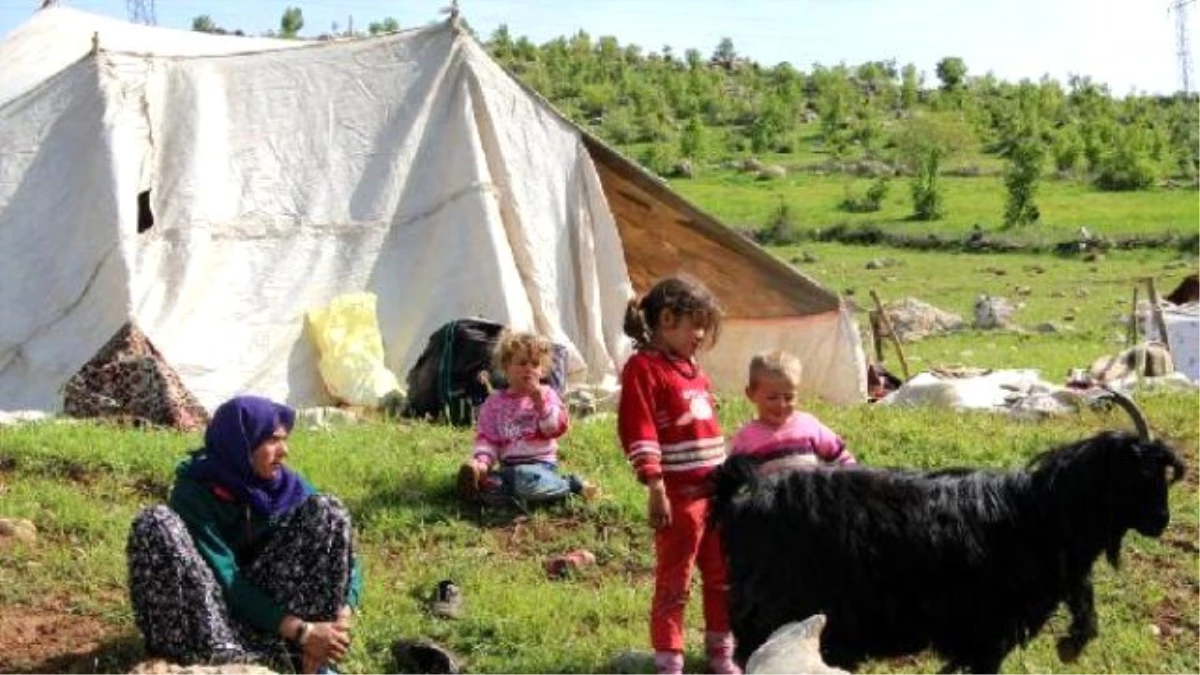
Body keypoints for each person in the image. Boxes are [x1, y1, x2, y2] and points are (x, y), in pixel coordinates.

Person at [127, 395, 363, 675]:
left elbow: (345, 554)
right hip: (212, 615)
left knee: (329, 512)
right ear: (241, 445)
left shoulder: (284, 486)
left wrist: (341, 618)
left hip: (271, 617)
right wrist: (302, 630)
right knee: (154, 524)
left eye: (284, 439)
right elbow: (227, 580)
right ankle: (221, 658)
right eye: (272, 440)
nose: (284, 451)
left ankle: (311, 659)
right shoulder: (196, 492)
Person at [617, 275, 740, 675]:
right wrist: (655, 484)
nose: (701, 334)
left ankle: (721, 652)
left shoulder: (691, 369)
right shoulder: (644, 368)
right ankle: (670, 661)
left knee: (721, 575)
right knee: (676, 582)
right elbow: (640, 427)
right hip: (680, 496)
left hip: (714, 495)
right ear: (667, 319)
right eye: (696, 324)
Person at [457, 330, 597, 506]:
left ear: (542, 371)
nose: (529, 369)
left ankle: (570, 484)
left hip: (540, 467)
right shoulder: (494, 403)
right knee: (496, 485)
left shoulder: (547, 395)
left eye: (535, 364)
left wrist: (541, 405)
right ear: (506, 367)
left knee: (525, 480)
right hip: (508, 468)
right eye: (522, 363)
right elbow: (488, 439)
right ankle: (484, 485)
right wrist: (483, 463)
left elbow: (555, 429)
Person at [729, 351, 856, 474]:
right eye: (772, 398)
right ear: (751, 394)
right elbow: (732, 477)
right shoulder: (746, 438)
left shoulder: (808, 426)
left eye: (789, 397)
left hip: (809, 493)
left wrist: (852, 480)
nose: (781, 404)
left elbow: (841, 457)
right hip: (772, 495)